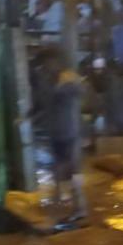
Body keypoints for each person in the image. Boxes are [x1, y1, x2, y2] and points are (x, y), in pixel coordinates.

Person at [31, 44, 88, 228]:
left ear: (56, 61)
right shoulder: (45, 80)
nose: (46, 66)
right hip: (55, 133)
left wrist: (68, 84)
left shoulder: (69, 78)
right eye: (44, 64)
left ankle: (79, 208)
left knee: (73, 172)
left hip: (70, 132)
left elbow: (80, 92)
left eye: (48, 62)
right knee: (58, 173)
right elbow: (41, 104)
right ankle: (60, 211)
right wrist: (27, 117)